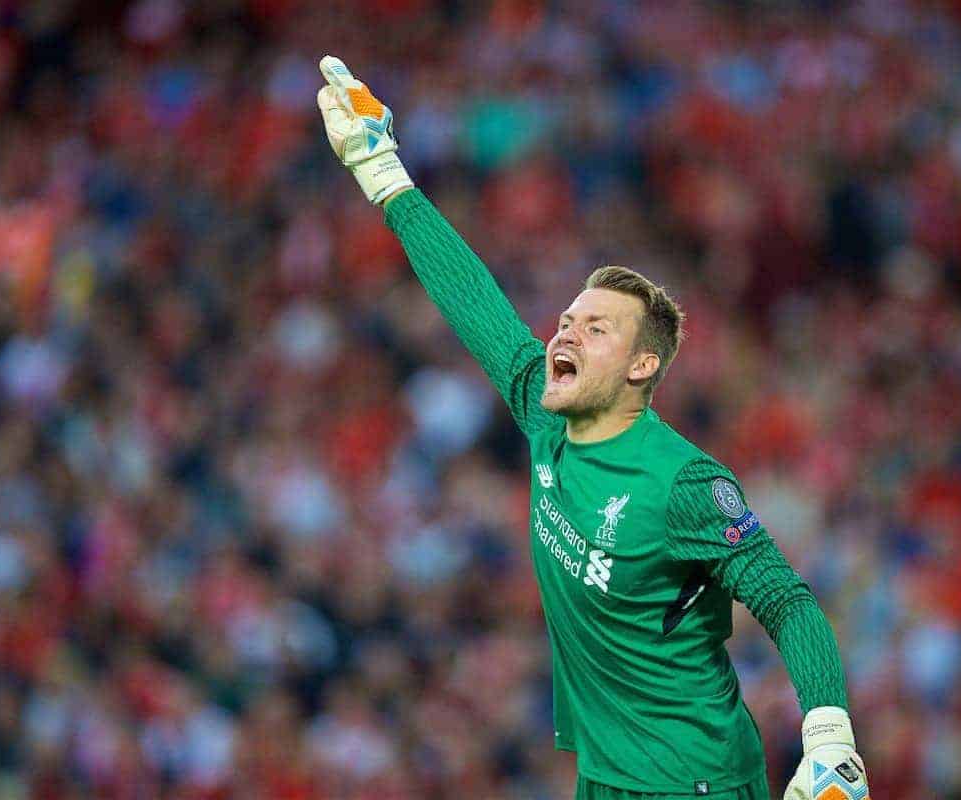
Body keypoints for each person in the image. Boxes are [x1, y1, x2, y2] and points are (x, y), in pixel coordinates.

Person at [316, 55, 870, 800]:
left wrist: (828, 734)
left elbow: (787, 600)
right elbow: (472, 297)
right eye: (567, 320)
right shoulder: (545, 419)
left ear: (643, 366)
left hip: (693, 781)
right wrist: (384, 174)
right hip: (605, 777)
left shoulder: (685, 484)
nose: (564, 335)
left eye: (596, 328)